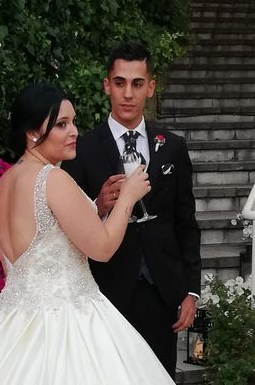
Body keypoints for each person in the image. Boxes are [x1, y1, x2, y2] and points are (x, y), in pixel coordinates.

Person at [0, 84, 175, 385]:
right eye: (61, 124)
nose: (74, 132)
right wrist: (128, 198)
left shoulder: (7, 181)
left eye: (73, 122)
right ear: (32, 133)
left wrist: (96, 208)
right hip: (70, 322)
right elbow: (103, 248)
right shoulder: (54, 179)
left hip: (12, 323)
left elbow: (40, 238)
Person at [61, 42, 201, 376]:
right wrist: (98, 206)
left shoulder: (173, 148)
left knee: (158, 377)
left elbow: (186, 223)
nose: (128, 93)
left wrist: (191, 291)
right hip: (103, 291)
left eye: (137, 84)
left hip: (161, 290)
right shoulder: (80, 149)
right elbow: (66, 226)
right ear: (106, 84)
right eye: (120, 82)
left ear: (151, 87)